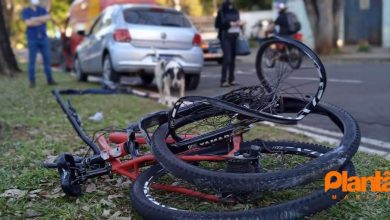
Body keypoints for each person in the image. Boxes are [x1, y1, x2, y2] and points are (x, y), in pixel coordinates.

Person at [22, 0, 57, 88]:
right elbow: (28, 23)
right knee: (32, 61)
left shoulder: (42, 9)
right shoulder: (25, 11)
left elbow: (48, 18)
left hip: (43, 38)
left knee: (47, 60)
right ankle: (32, 81)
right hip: (32, 39)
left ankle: (50, 79)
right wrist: (41, 19)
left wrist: (34, 19)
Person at [215, 0, 242, 88]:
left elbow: (238, 21)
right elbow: (217, 25)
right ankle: (223, 80)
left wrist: (239, 24)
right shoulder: (221, 12)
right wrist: (229, 24)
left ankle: (231, 79)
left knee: (233, 58)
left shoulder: (235, 10)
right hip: (225, 37)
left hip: (234, 36)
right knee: (227, 58)